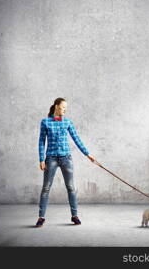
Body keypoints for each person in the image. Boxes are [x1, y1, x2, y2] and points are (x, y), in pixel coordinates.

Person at [36, 97, 96, 227]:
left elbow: (76, 139)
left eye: (66, 108)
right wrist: (41, 159)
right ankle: (41, 217)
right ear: (56, 106)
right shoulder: (45, 122)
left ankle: (74, 216)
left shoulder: (67, 122)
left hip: (66, 159)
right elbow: (41, 142)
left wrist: (87, 154)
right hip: (51, 158)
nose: (65, 110)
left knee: (71, 187)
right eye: (63, 107)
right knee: (46, 188)